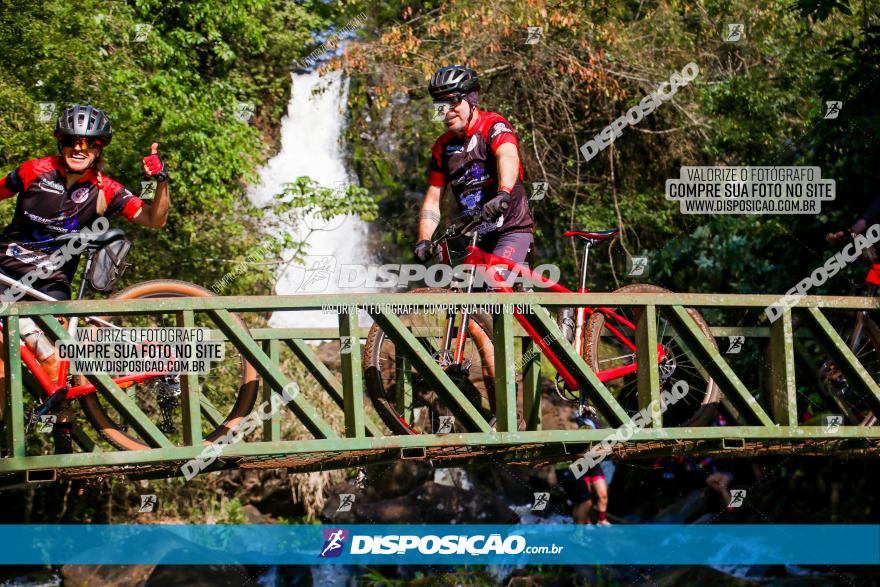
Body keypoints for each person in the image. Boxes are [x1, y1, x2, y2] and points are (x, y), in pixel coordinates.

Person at [0, 104, 170, 452]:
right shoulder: (34, 171)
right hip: (6, 269)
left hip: (51, 283)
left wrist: (161, 181)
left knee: (49, 359)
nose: (80, 149)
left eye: (89, 144)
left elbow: (154, 219)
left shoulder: (106, 190)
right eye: (73, 141)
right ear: (61, 143)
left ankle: (61, 432)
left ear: (99, 149)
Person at [413, 65, 534, 282]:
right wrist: (424, 239)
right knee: (466, 304)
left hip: (511, 229)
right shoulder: (442, 147)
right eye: (440, 105)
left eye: (453, 101)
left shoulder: (493, 126)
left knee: (494, 293)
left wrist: (503, 193)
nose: (447, 111)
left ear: (471, 98)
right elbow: (432, 200)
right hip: (477, 238)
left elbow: (507, 156)